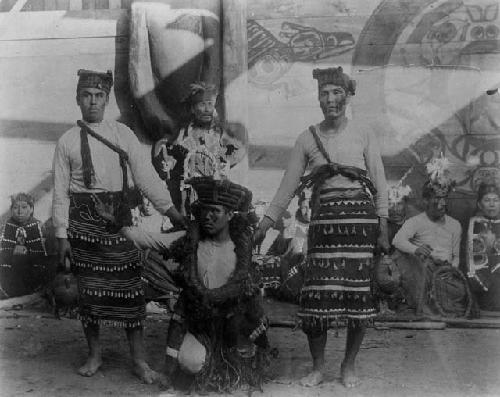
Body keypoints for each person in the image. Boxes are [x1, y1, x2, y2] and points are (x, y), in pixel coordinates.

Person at [254, 66, 390, 388]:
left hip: (360, 224)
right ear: (318, 99)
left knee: (359, 297)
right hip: (324, 226)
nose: (331, 99)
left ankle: (349, 365)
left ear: (347, 96)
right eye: (325, 94)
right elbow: (287, 186)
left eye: (337, 93)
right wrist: (265, 224)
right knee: (316, 299)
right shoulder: (307, 138)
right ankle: (317, 367)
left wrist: (383, 225)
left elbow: (380, 183)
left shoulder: (363, 133)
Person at [52, 69, 185, 383]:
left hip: (119, 222)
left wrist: (172, 211)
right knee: (89, 296)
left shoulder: (123, 134)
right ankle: (95, 354)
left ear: (107, 99)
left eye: (99, 96)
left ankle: (139, 360)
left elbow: (146, 177)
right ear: (78, 99)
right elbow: (60, 191)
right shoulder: (66, 141)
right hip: (82, 225)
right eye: (87, 95)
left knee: (130, 291)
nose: (93, 102)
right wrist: (61, 235)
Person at [160, 176, 270, 393]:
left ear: (230, 214)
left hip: (233, 324)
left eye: (215, 211)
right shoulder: (191, 244)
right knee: (190, 362)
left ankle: (231, 370)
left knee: (241, 358)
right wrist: (118, 227)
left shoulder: (242, 250)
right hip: (201, 324)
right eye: (204, 210)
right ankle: (200, 366)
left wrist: (261, 340)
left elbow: (251, 301)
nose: (207, 216)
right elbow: (149, 239)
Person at [152, 82, 248, 213]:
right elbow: (164, 149)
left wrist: (225, 162)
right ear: (192, 108)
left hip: (215, 191)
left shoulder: (220, 132)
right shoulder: (183, 133)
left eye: (210, 104)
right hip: (190, 193)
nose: (207, 109)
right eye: (202, 104)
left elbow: (239, 148)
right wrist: (166, 164)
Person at [392, 168, 463, 316]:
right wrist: (416, 250)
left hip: (444, 273)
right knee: (418, 275)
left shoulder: (455, 225)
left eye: (445, 198)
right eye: (437, 198)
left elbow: (456, 256)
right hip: (422, 272)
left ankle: (433, 303)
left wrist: (451, 270)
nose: (442, 203)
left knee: (459, 291)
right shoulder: (415, 221)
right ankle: (425, 304)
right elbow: (397, 240)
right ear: (425, 201)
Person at [0, 193, 50, 298]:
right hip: (11, 269)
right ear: (11, 210)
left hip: (32, 268)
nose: (19, 211)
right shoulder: (5, 227)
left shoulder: (39, 226)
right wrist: (13, 252)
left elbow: (45, 252)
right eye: (15, 208)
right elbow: (2, 252)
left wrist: (26, 252)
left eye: (24, 207)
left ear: (31, 209)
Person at [466, 183, 500, 311]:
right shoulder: (475, 224)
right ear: (480, 204)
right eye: (487, 200)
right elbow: (473, 262)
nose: (492, 204)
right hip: (485, 280)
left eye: (496, 200)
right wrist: (489, 248)